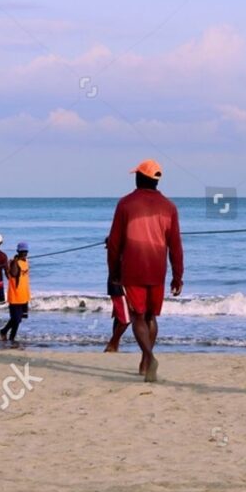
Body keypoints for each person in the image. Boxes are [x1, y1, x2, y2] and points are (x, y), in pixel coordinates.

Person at [106, 159, 184, 382]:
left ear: (140, 178)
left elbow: (114, 243)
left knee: (137, 316)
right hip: (158, 270)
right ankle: (145, 362)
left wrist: (113, 271)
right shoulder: (169, 207)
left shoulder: (125, 204)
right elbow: (176, 245)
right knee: (151, 316)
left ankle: (149, 356)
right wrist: (178, 275)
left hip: (133, 269)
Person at [0, 242, 30, 346]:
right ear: (18, 252)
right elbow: (13, 274)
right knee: (16, 319)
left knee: (19, 319)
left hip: (24, 295)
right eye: (22, 252)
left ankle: (9, 335)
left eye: (26, 251)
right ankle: (7, 334)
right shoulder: (14, 263)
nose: (24, 253)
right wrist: (13, 263)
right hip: (15, 296)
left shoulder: (26, 261)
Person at [103, 274, 130, 353]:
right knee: (127, 318)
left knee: (119, 317)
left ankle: (115, 345)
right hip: (119, 285)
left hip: (117, 284)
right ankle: (112, 343)